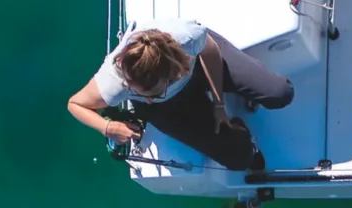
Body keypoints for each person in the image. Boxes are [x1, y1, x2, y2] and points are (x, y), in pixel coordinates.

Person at [65, 19, 294, 171]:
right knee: (240, 159)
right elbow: (75, 104)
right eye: (139, 93)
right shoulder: (114, 82)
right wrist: (108, 127)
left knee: (281, 93)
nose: (146, 99)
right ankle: (239, 130)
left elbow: (210, 52)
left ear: (171, 71)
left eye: (152, 93)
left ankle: (233, 102)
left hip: (199, 66)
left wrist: (219, 103)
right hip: (167, 106)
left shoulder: (186, 37)